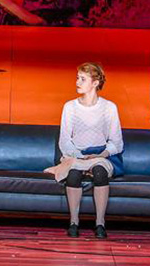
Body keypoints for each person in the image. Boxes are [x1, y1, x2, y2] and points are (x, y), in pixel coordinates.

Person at [45, 62, 124, 239]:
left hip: (99, 155)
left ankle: (100, 223)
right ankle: (74, 222)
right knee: (73, 174)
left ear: (95, 83)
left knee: (100, 172)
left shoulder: (109, 108)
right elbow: (65, 140)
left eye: (82, 79)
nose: (77, 82)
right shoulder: (70, 107)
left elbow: (117, 142)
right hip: (76, 155)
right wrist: (80, 157)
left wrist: (100, 155)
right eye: (77, 78)